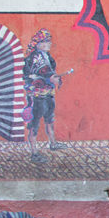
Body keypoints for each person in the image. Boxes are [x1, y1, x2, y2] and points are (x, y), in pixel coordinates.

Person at [22, 28, 70, 163]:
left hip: (48, 93)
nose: (49, 44)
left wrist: (55, 79)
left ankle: (53, 143)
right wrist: (48, 79)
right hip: (37, 95)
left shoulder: (48, 57)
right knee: (35, 123)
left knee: (50, 119)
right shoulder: (33, 58)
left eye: (49, 42)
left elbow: (50, 72)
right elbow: (30, 76)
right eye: (46, 42)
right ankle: (34, 152)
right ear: (39, 44)